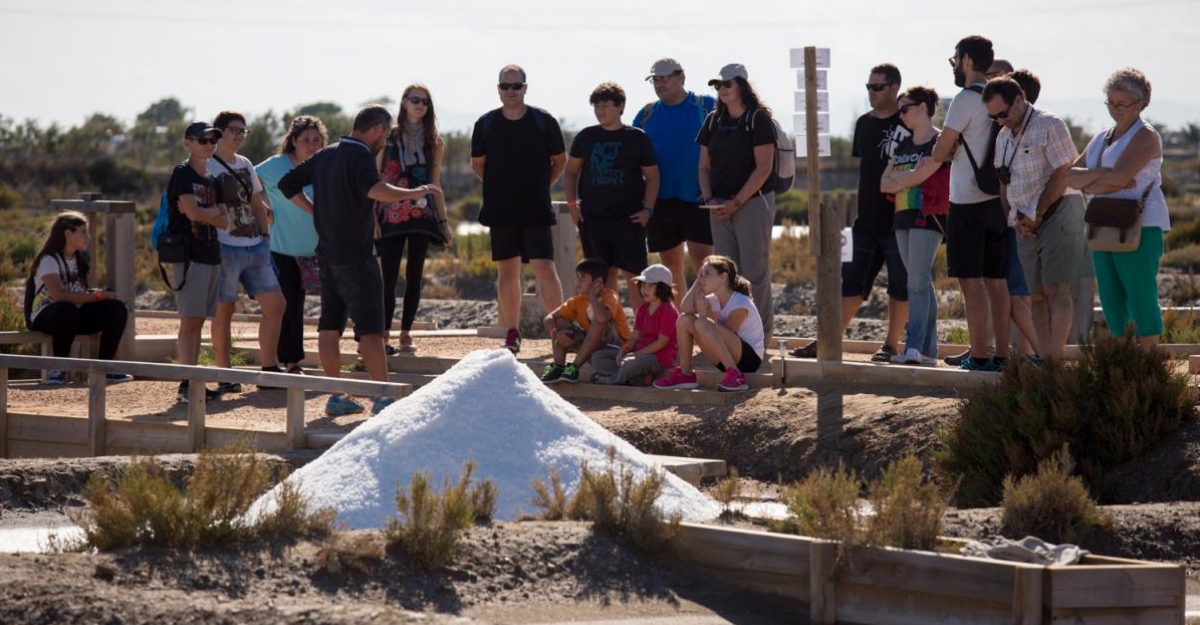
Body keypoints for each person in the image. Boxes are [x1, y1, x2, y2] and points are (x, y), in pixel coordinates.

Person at [279, 104, 442, 416]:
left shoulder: (326, 154)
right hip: (357, 256)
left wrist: (315, 210)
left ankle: (336, 395)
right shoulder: (361, 155)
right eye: (386, 134)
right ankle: (383, 397)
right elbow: (375, 189)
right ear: (378, 130)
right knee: (370, 330)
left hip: (327, 254)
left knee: (329, 327)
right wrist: (414, 193)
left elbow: (287, 185)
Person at [793, 63, 911, 361]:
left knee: (900, 286)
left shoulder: (908, 121)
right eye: (868, 87)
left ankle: (891, 345)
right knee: (851, 283)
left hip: (900, 219)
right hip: (865, 220)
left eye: (878, 87)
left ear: (895, 88)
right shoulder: (864, 123)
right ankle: (826, 341)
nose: (871, 92)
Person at [1066, 68, 1168, 349]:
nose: (1115, 109)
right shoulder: (1101, 136)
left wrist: (1094, 179)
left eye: (1122, 104)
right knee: (1110, 297)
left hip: (1140, 224)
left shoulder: (1146, 136)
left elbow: (1117, 179)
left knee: (1140, 293)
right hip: (1103, 224)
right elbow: (1071, 175)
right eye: (1111, 102)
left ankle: (1147, 363)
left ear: (1140, 104)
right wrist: (1104, 178)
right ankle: (1122, 359)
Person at [983, 77, 1083, 360]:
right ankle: (1046, 358)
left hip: (1058, 211)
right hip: (1023, 223)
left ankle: (1055, 357)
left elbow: (1065, 171)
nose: (1000, 121)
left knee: (1055, 288)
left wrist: (1037, 213)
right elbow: (1004, 182)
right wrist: (1014, 219)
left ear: (1019, 99)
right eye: (993, 117)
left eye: (1003, 113)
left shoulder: (1050, 124)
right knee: (1036, 295)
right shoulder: (1002, 136)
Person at [471, 64, 567, 354]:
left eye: (516, 86)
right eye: (505, 86)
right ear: (498, 88)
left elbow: (559, 161)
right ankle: (513, 332)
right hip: (501, 209)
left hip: (535, 207)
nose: (510, 91)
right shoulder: (485, 123)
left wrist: (540, 186)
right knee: (508, 269)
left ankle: (560, 330)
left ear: (526, 87)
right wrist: (501, 188)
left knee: (544, 268)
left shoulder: (543, 121)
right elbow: (478, 166)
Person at [931, 35, 1011, 372]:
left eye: (954, 59)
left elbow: (938, 152)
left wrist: (949, 145)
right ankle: (1002, 356)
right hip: (998, 200)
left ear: (965, 60)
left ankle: (979, 356)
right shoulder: (999, 98)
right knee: (997, 281)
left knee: (971, 281)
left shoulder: (964, 99)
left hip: (966, 200)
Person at [697, 63, 777, 339]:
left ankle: (760, 337)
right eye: (718, 85)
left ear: (742, 85)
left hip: (753, 203)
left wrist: (737, 202)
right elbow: (704, 166)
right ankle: (728, 335)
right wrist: (709, 198)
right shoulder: (712, 120)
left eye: (727, 84)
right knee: (723, 275)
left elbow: (763, 168)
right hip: (719, 207)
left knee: (754, 272)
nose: (722, 90)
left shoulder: (759, 119)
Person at [564, 81, 659, 311]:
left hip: (629, 219)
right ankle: (611, 333)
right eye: (596, 105)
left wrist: (648, 209)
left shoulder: (637, 138)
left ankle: (642, 332)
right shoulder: (586, 136)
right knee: (601, 278)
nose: (600, 110)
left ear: (620, 106)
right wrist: (572, 204)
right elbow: (570, 171)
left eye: (606, 105)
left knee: (635, 277)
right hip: (593, 218)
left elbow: (653, 177)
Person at [209, 110, 286, 393]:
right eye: (233, 130)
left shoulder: (245, 163)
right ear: (217, 131)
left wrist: (264, 234)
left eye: (243, 130)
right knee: (224, 310)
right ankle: (225, 374)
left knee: (276, 304)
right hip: (224, 246)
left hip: (254, 244)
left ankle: (269, 368)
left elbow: (255, 199)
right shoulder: (206, 165)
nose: (239, 135)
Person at [376, 83, 452, 355]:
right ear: (404, 102)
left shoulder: (434, 140)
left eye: (425, 101)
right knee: (388, 276)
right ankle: (383, 334)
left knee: (415, 276)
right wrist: (371, 217)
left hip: (422, 212)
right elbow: (376, 176)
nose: (420, 105)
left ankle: (406, 332)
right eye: (415, 100)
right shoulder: (388, 136)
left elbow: (435, 182)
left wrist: (443, 222)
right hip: (390, 212)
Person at [632, 58, 717, 296]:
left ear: (681, 76)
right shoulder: (647, 114)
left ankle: (706, 321)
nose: (659, 84)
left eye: (664, 78)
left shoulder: (706, 105)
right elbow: (633, 153)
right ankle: (680, 324)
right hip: (661, 199)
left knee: (705, 265)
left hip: (699, 197)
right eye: (655, 80)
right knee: (670, 266)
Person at [879, 86, 948, 366]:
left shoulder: (940, 141)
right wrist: (904, 177)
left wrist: (901, 176)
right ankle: (929, 351)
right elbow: (884, 182)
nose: (901, 115)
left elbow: (919, 177)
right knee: (920, 282)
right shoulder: (904, 143)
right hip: (902, 216)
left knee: (916, 283)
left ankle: (914, 347)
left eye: (905, 108)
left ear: (923, 107)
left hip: (927, 216)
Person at [256, 115, 328, 375]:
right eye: (306, 140)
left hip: (319, 249)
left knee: (332, 305)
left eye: (317, 140)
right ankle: (291, 362)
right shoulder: (276, 166)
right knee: (289, 305)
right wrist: (262, 206)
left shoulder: (324, 164)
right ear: (293, 141)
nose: (312, 144)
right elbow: (244, 182)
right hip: (282, 248)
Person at [26, 211, 131, 385]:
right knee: (66, 309)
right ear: (68, 233)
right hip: (46, 315)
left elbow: (78, 293)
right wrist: (98, 296)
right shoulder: (49, 260)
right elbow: (58, 295)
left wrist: (97, 295)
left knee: (116, 308)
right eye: (83, 232)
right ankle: (58, 369)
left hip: (73, 314)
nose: (88, 237)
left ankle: (103, 369)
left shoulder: (80, 260)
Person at [169, 121, 229, 403]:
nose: (209, 145)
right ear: (188, 143)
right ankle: (187, 384)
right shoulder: (182, 173)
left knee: (200, 320)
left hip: (211, 253)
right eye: (202, 140)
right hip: (189, 255)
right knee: (190, 321)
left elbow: (226, 220)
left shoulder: (213, 180)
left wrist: (208, 211)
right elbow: (192, 214)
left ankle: (193, 381)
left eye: (212, 140)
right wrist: (211, 212)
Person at [655, 255, 764, 392]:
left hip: (748, 359)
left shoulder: (741, 303)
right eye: (701, 274)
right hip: (725, 357)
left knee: (701, 323)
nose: (702, 278)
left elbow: (727, 332)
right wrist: (697, 281)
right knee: (684, 320)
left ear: (723, 277)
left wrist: (703, 315)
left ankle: (736, 376)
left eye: (707, 274)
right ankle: (686, 373)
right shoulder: (713, 299)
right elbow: (685, 307)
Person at [540, 258, 631, 384]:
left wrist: (593, 297)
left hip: (617, 348)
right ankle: (558, 367)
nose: (577, 282)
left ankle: (574, 367)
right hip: (592, 346)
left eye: (582, 277)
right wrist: (555, 333)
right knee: (560, 321)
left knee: (599, 321)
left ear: (598, 281)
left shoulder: (610, 296)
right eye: (576, 277)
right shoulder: (578, 301)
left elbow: (603, 318)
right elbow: (548, 318)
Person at [592, 263, 679, 386]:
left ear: (663, 287)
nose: (644, 289)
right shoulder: (643, 308)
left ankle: (611, 380)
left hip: (658, 358)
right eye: (643, 285)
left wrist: (636, 355)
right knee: (598, 357)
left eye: (650, 286)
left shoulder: (668, 310)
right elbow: (634, 337)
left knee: (629, 364)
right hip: (638, 354)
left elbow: (661, 343)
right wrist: (624, 350)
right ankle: (637, 379)